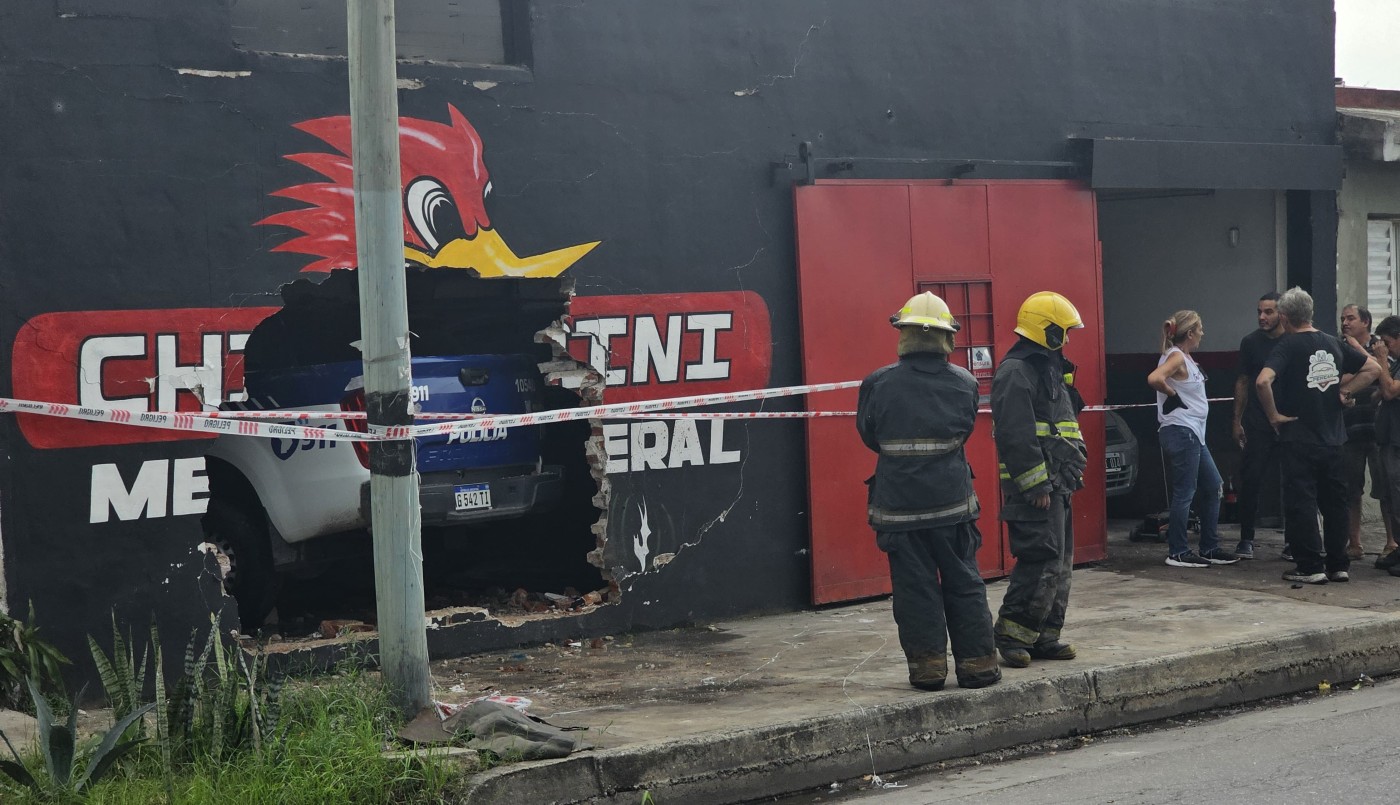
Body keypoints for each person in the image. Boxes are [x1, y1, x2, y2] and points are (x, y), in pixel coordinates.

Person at [856, 291, 1001, 691]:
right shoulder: (965, 384)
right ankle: (979, 667)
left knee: (915, 590)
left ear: (903, 334)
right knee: (964, 581)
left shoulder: (878, 383)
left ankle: (928, 669)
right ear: (946, 337)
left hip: (900, 509)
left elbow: (869, 435)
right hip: (953, 506)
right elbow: (965, 428)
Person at [1255, 287, 1381, 584]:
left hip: (1299, 437)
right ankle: (1338, 564)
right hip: (1334, 438)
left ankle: (1310, 566)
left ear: (1284, 317)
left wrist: (1273, 415)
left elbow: (1263, 381)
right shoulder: (1333, 343)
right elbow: (1373, 368)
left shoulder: (1287, 346)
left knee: (1302, 503)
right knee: (1335, 503)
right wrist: (1345, 391)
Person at [990, 291, 1088, 668]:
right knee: (1038, 558)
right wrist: (1034, 485)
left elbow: (1057, 423)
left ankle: (1045, 634)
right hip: (1037, 486)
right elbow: (1015, 434)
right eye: (1063, 332)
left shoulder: (1047, 366)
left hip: (1058, 481)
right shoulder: (1016, 371)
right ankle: (1013, 635)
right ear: (1045, 330)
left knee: (1060, 563)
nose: (1067, 340)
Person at [1148, 311, 1237, 567]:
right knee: (1185, 492)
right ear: (1189, 333)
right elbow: (1154, 378)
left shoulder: (1185, 358)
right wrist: (1171, 392)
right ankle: (1177, 551)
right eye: (1200, 329)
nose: (1202, 334)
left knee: (1212, 486)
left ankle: (1209, 547)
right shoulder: (1176, 356)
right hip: (1182, 431)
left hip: (1193, 434)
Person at [1340, 304, 1395, 559]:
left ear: (1366, 322)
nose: (1345, 323)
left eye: (1350, 318)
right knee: (1352, 488)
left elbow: (1384, 374)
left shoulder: (1382, 346)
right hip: (1350, 427)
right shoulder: (1339, 348)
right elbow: (1337, 380)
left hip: (1377, 430)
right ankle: (1355, 543)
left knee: (1386, 488)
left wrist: (1361, 354)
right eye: (1342, 319)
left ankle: (1391, 542)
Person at [1231, 292, 1284, 560]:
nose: (1262, 317)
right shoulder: (1250, 342)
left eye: (1269, 312)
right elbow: (1242, 381)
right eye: (1259, 312)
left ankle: (1295, 539)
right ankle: (1246, 538)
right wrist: (1237, 420)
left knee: (1295, 480)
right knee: (1251, 478)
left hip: (1289, 420)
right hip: (1257, 420)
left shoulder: (1293, 340)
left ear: (1282, 313)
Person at [1368, 315, 1400, 574]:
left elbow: (1389, 391)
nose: (1385, 349)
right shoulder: (1397, 364)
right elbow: (1382, 392)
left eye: (1388, 343)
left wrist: (1380, 361)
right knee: (1391, 496)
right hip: (1389, 438)